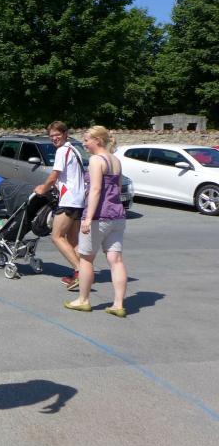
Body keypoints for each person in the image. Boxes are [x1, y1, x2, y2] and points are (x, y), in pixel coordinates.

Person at [64, 126, 128, 317]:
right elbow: (117, 189)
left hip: (99, 216)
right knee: (116, 260)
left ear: (97, 141)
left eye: (86, 140)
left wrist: (88, 217)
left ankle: (83, 300)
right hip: (117, 215)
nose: (84, 144)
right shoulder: (115, 160)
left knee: (86, 260)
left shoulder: (96, 160)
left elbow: (96, 190)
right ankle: (118, 304)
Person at [33, 121, 86, 290]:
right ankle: (82, 273)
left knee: (57, 236)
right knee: (73, 240)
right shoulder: (75, 150)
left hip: (69, 200)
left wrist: (43, 189)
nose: (54, 138)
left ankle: (80, 271)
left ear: (65, 134)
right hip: (78, 200)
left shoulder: (62, 151)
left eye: (57, 135)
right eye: (51, 136)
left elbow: (54, 175)